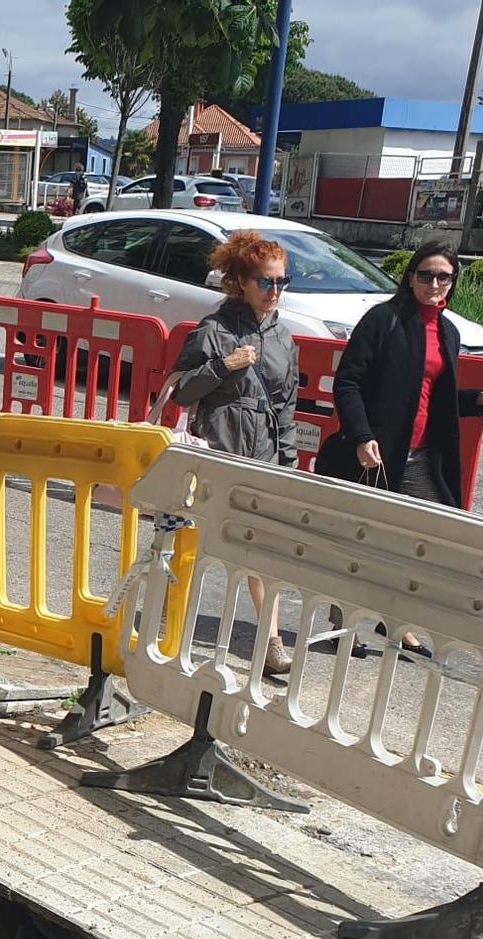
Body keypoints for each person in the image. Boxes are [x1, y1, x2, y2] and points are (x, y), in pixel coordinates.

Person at [170, 229, 301, 676]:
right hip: (217, 454)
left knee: (262, 551)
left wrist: (288, 462)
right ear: (240, 281)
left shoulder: (284, 339)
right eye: (266, 282)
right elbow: (181, 392)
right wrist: (222, 367)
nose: (275, 291)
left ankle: (271, 641)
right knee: (201, 547)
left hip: (261, 457)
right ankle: (171, 628)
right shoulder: (215, 330)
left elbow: (286, 407)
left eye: (282, 281)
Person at [320, 239, 483, 508]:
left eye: (443, 277)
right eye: (426, 275)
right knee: (364, 527)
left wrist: (482, 399)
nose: (434, 285)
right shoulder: (383, 319)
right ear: (410, 278)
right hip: (377, 452)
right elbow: (348, 382)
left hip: (421, 455)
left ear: (452, 282)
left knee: (440, 524)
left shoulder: (448, 332)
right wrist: (361, 436)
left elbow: (435, 396)